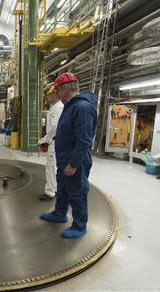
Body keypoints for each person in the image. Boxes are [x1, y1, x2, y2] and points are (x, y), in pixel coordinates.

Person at [40, 72, 97, 239]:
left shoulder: (82, 108)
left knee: (77, 192)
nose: (57, 95)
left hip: (74, 162)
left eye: (57, 92)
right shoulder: (70, 106)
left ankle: (80, 226)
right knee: (63, 189)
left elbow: (84, 140)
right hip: (64, 159)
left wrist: (73, 164)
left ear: (64, 90)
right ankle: (60, 213)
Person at [38, 84, 63, 201]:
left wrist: (45, 140)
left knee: (50, 167)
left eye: (50, 94)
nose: (48, 96)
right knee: (52, 167)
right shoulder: (54, 108)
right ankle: (55, 188)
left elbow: (55, 128)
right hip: (54, 141)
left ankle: (49, 192)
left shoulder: (58, 108)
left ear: (56, 95)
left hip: (53, 142)